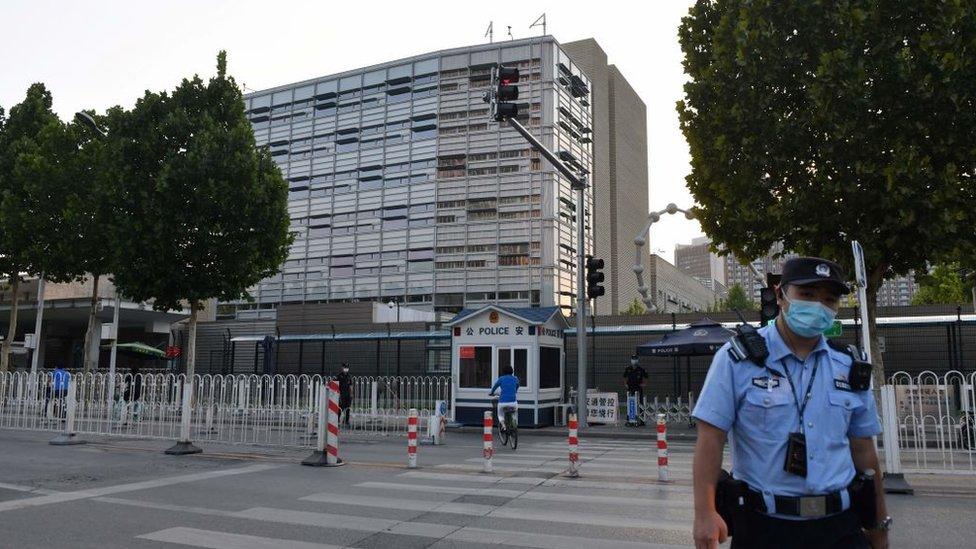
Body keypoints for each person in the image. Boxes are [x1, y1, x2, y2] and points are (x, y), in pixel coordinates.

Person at [691, 257, 891, 549]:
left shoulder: (850, 365)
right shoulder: (737, 359)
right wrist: (704, 514)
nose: (818, 306)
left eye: (829, 299)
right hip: (764, 529)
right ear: (780, 294)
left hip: (840, 528)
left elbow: (864, 452)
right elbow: (710, 438)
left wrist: (878, 524)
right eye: (807, 295)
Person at [489, 365, 520, 431]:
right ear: (512, 371)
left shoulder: (501, 378)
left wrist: (491, 393)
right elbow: (517, 385)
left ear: (503, 372)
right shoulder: (515, 378)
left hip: (502, 402)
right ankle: (514, 422)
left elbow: (495, 386)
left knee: (500, 414)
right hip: (513, 402)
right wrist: (515, 390)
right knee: (515, 412)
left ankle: (503, 425)